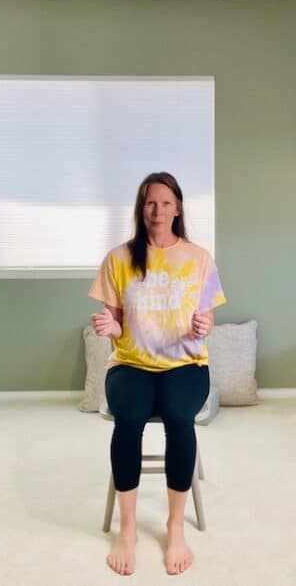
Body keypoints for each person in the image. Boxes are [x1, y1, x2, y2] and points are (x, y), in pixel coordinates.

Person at [88, 171, 227, 576]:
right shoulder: (119, 259)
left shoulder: (198, 257)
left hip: (185, 365)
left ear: (178, 208)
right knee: (128, 421)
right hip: (130, 364)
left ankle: (174, 527)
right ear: (140, 208)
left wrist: (205, 326)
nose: (158, 210)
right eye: (150, 202)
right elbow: (115, 322)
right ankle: (128, 529)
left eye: (166, 203)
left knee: (180, 420)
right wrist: (109, 328)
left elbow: (207, 317)